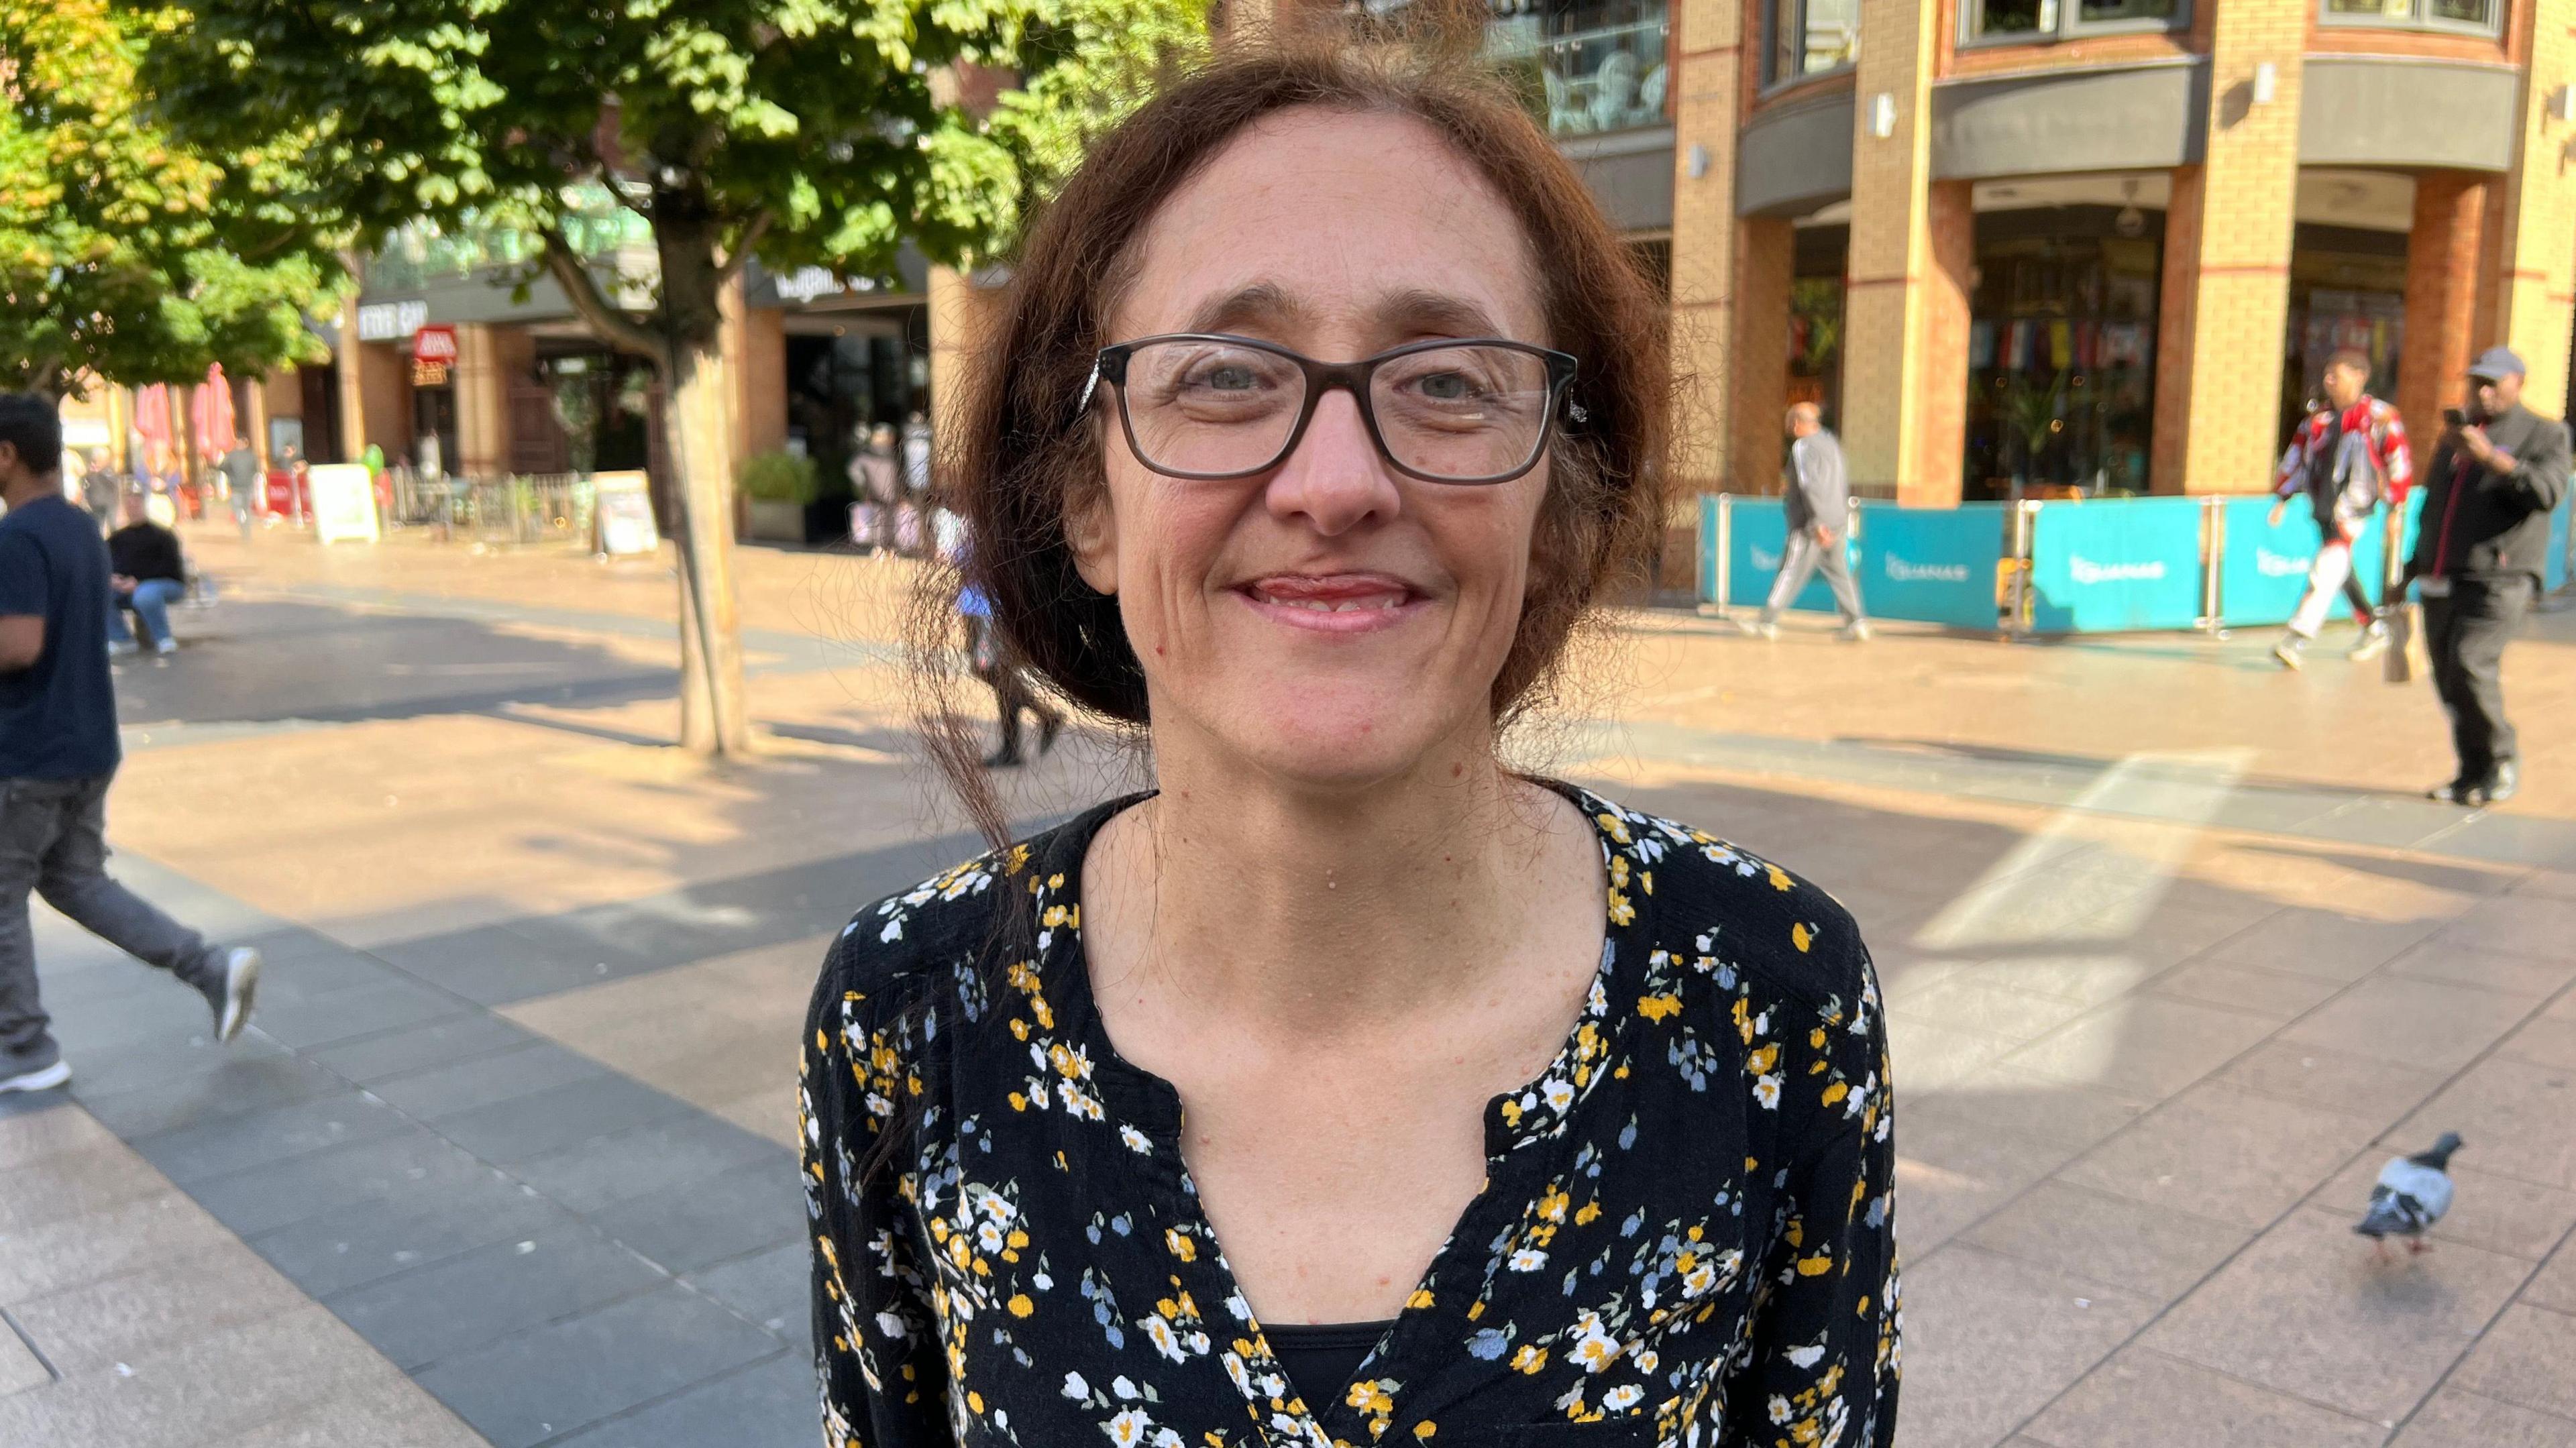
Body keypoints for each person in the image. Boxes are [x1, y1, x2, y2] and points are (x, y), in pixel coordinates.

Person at [799, 37, 1897, 1448]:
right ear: (1087, 499)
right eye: (1222, 377)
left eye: (1445, 380)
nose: (1336, 480)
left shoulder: (1768, 997)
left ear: (1556, 503)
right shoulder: (913, 1015)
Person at [0, 394, 261, 1095]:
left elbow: (19, 644)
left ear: (8, 455)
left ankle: (25, 1048)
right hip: (88, 741)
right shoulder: (83, 527)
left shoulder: (18, 536)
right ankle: (211, 968)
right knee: (75, 879)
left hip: (28, 752)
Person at [2406, 347, 2570, 806]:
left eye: (2493, 382)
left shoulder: (2544, 433)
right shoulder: (2458, 437)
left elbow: (2547, 492)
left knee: (2471, 662)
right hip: (2445, 576)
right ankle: (2470, 771)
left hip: (2503, 576)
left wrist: (2493, 458)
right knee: (2449, 678)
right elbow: (2434, 507)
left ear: (2517, 382)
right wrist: (2408, 568)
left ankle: (2501, 761)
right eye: (2476, 381)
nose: (2482, 391)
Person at [2267, 349, 2410, 669]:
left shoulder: (2379, 416)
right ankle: (2375, 628)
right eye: (2327, 375)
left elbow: (2397, 461)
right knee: (2341, 571)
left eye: (2337, 375)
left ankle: (2297, 638)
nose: (2329, 381)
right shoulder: (2318, 421)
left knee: (2327, 568)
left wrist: (2396, 510)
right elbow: (2295, 458)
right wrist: (2282, 499)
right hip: (2322, 508)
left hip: (2354, 509)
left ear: (2359, 377)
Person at [1739, 402, 1868, 641]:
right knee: (1840, 573)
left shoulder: (1803, 446)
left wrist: (1818, 522)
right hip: (1836, 520)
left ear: (1797, 423)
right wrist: (1832, 519)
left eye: (1790, 425)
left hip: (1810, 524)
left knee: (1790, 570)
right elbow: (1839, 481)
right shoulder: (1831, 443)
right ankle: (1857, 622)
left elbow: (1810, 485)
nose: (1790, 431)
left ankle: (1767, 622)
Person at [105, 494, 191, 657]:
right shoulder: (116, 538)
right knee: (98, 592)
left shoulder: (163, 535)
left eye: (136, 505)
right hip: (126, 585)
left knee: (145, 593)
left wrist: (138, 581)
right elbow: (105, 562)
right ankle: (121, 639)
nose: (133, 509)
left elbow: (169, 567)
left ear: (144, 507)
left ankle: (163, 638)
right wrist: (112, 578)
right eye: (129, 506)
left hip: (164, 583)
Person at [220, 437, 262, 541]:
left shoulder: (232, 456)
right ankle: (247, 531)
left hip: (238, 487)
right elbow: (256, 470)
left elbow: (222, 467)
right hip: (245, 486)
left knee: (239, 510)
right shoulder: (251, 456)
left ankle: (245, 530)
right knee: (245, 510)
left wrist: (230, 475)